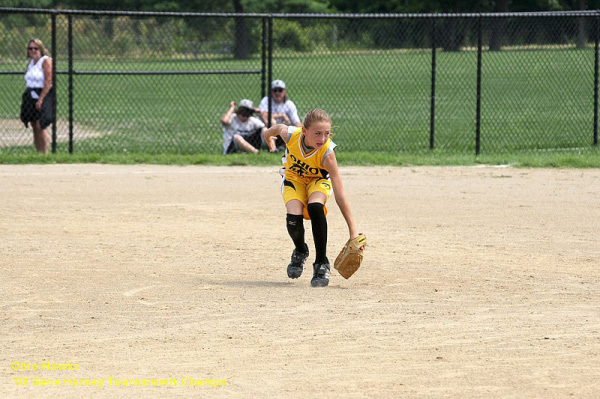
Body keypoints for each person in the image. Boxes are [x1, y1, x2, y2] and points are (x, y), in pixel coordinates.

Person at [263, 109, 362, 287]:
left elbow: (340, 195)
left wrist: (353, 233)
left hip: (318, 181)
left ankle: (321, 263)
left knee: (316, 207)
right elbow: (275, 128)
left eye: (326, 134)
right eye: (317, 133)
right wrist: (267, 137)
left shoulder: (327, 154)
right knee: (293, 219)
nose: (322, 139)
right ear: (304, 131)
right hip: (294, 180)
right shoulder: (291, 135)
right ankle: (300, 250)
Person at [20, 38, 54, 154]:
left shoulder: (46, 60)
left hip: (43, 93)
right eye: (30, 48)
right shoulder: (31, 63)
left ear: (41, 49)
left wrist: (41, 99)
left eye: (36, 48)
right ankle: (39, 153)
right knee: (34, 124)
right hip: (31, 94)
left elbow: (48, 81)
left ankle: (46, 153)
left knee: (41, 124)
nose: (33, 50)